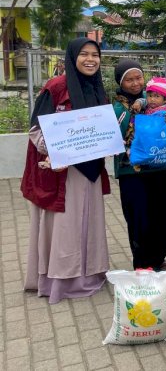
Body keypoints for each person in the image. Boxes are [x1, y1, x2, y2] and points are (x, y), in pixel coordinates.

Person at [22, 38, 110, 303]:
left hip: (90, 170)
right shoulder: (56, 88)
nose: (90, 60)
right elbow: (36, 130)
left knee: (89, 222)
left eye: (95, 55)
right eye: (84, 54)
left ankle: (89, 274)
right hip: (64, 173)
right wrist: (55, 151)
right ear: (72, 57)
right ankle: (61, 281)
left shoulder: (97, 88)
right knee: (66, 225)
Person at [112, 60, 166, 271]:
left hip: (159, 167)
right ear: (120, 83)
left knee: (161, 215)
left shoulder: (153, 99)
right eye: (129, 79)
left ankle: (159, 258)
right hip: (131, 170)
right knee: (138, 217)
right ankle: (142, 264)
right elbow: (109, 133)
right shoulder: (116, 107)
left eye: (138, 78)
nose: (135, 83)